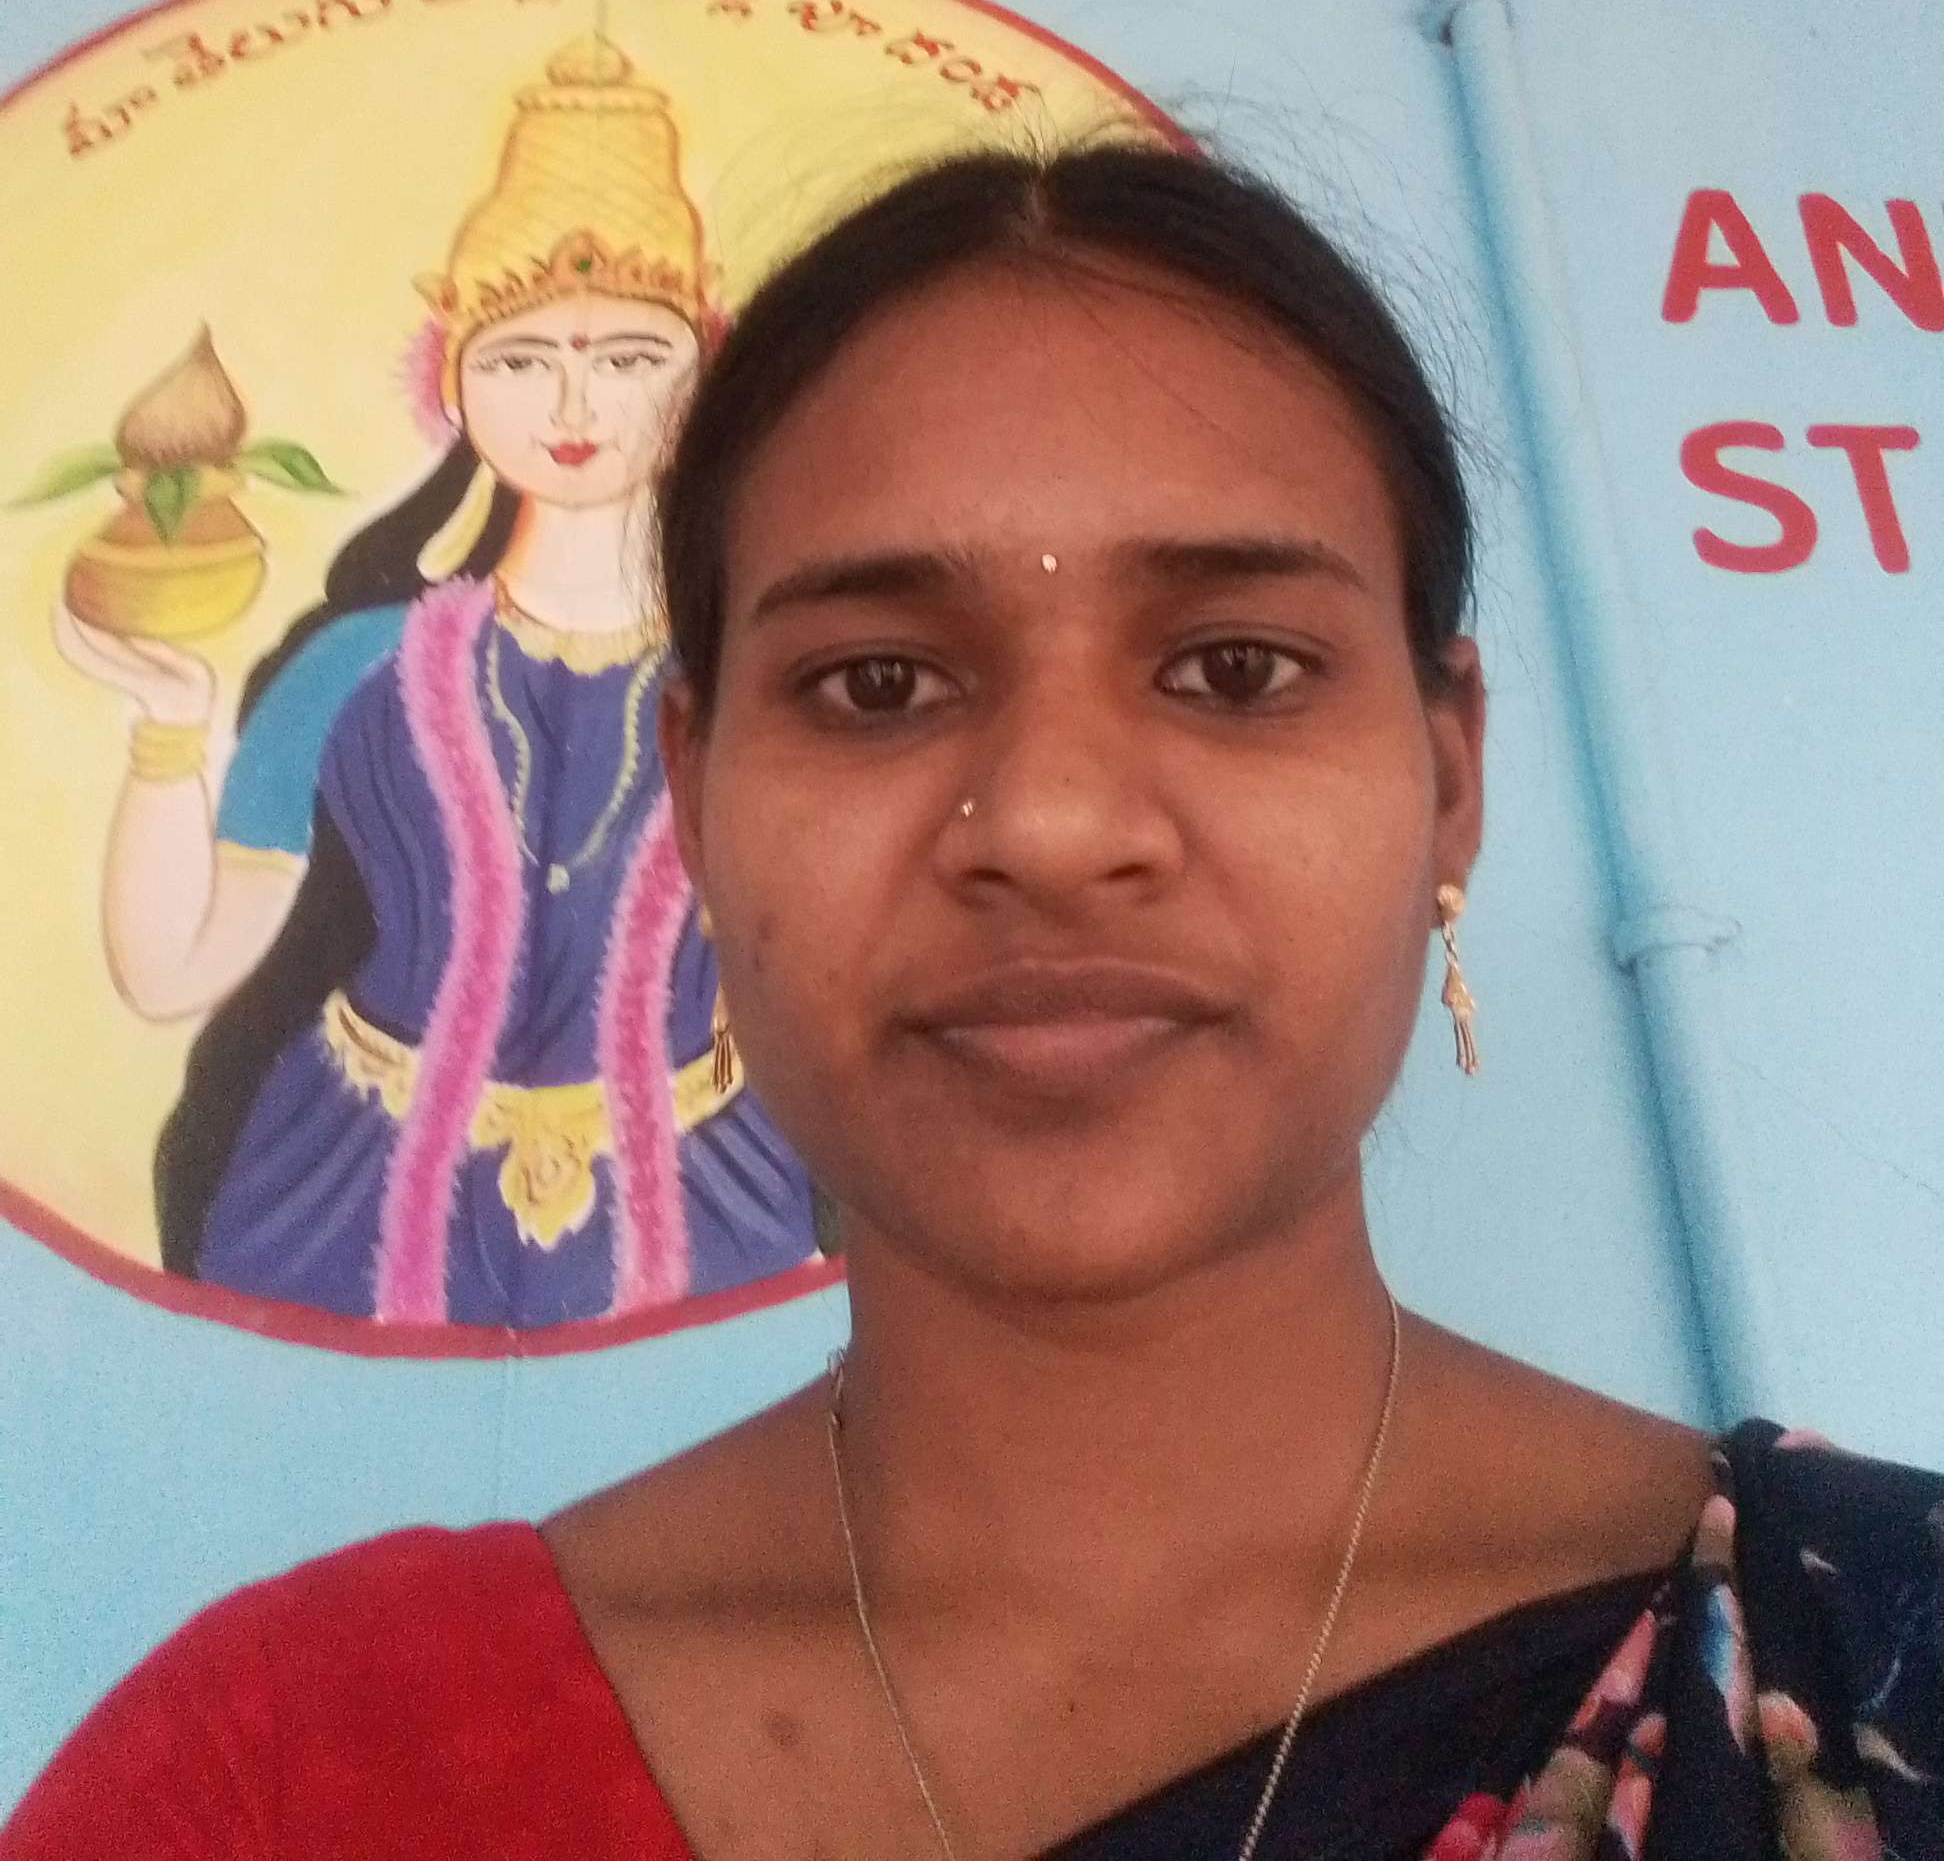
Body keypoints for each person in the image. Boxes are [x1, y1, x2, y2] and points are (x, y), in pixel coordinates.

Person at [8, 137, 1938, 1857]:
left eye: (1237, 669)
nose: (1052, 825)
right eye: (878, 684)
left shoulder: (1869, 1658)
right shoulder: (294, 1778)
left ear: (1450, 777)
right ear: (700, 796)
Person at [50, 33, 817, 1327]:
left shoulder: (779, 678)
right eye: (521, 359)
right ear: (451, 381)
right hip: (350, 1194)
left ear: (704, 378)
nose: (575, 402)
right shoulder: (356, 669)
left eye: (630, 358)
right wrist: (170, 736)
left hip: (710, 1197)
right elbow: (172, 973)